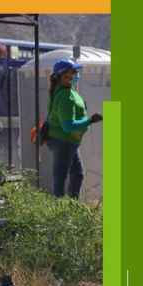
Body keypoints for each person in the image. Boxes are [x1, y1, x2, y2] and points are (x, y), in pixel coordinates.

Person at [46, 58, 102, 198]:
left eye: (74, 73)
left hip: (69, 142)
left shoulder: (68, 92)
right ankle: (59, 209)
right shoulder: (65, 96)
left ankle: (71, 206)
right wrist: (89, 120)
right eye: (68, 75)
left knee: (77, 174)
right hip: (63, 141)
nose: (72, 76)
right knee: (61, 175)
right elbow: (68, 126)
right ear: (59, 77)